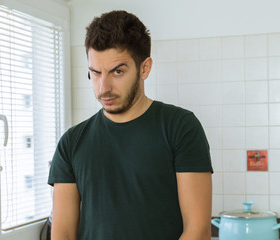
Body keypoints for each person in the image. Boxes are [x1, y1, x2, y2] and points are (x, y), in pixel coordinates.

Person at [48, 10, 213, 240]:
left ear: (144, 68)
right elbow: (63, 234)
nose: (103, 87)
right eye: (95, 73)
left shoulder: (181, 128)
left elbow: (197, 230)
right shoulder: (71, 143)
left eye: (117, 71)